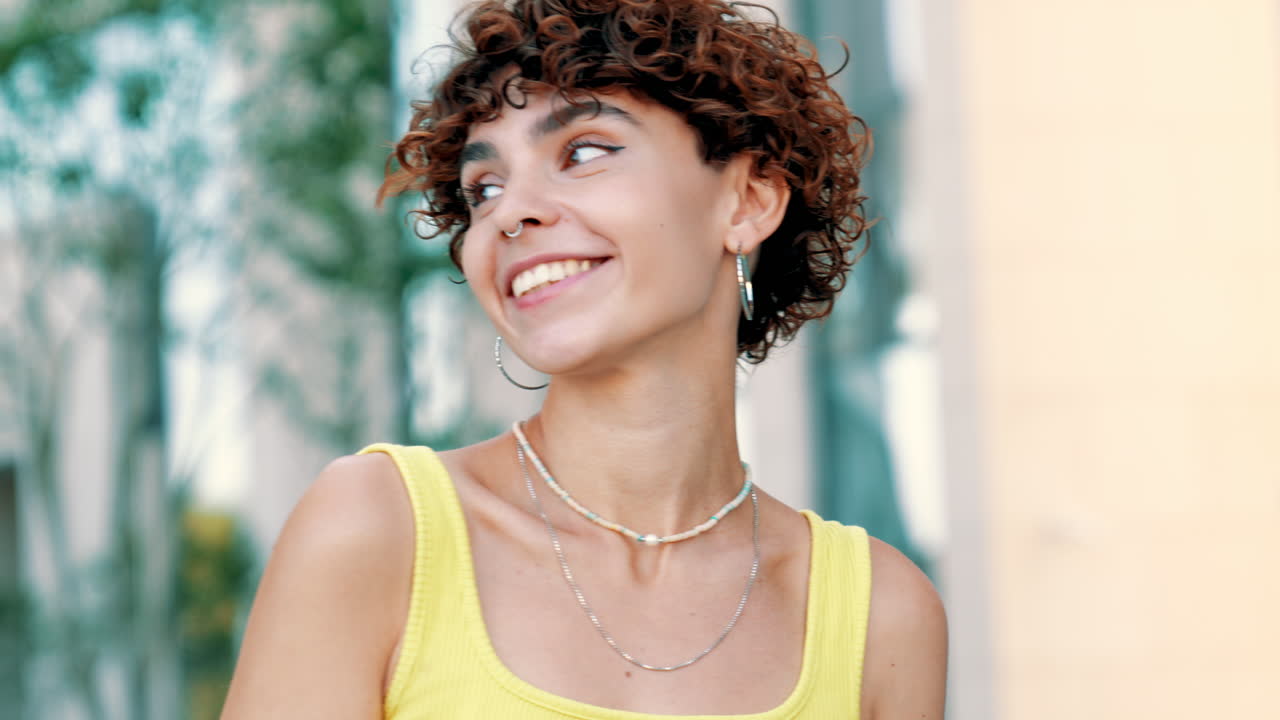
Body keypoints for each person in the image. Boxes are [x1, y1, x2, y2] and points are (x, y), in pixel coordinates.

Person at [221, 0, 947, 717]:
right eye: (485, 189)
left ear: (748, 201)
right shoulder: (378, 529)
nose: (511, 212)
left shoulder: (880, 616)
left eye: (586, 151)